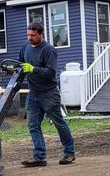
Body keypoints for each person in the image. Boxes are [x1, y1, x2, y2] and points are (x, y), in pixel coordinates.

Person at [18, 22, 75, 167]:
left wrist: (33, 69)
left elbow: (50, 72)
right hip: (33, 93)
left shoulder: (49, 50)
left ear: (40, 34)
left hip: (49, 93)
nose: (30, 38)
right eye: (28, 35)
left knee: (58, 123)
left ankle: (69, 153)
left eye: (33, 35)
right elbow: (20, 63)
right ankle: (39, 156)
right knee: (33, 125)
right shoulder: (25, 47)